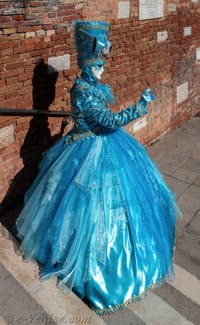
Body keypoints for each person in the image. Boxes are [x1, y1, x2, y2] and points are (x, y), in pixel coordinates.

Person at [12, 20, 180, 315]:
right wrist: (141, 105)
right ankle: (95, 274)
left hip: (102, 146)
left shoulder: (91, 85)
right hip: (89, 151)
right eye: (98, 64)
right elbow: (109, 122)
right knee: (86, 210)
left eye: (102, 63)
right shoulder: (83, 92)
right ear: (87, 65)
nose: (103, 69)